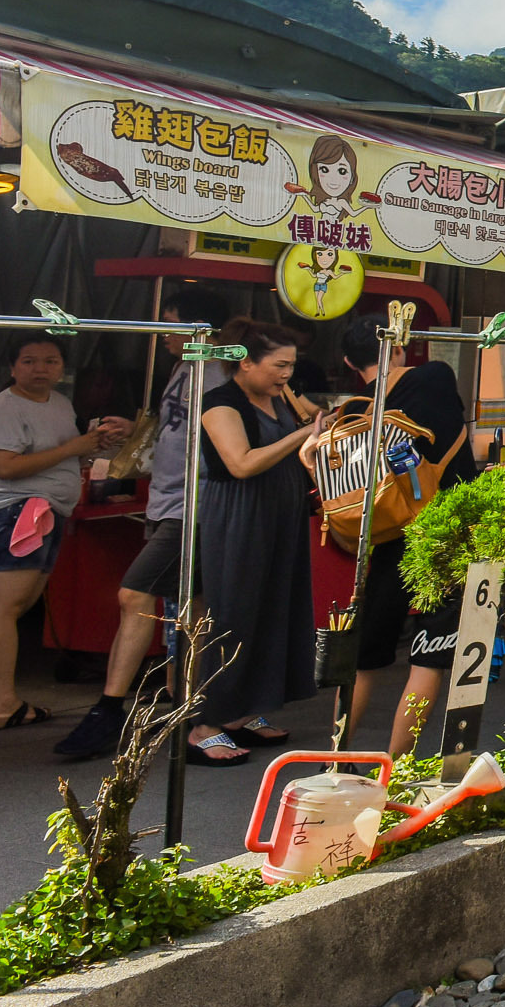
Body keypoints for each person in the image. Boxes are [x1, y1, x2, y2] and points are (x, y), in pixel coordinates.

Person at [54, 285, 234, 760]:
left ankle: (111, 709)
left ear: (199, 328)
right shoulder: (182, 369)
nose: (164, 335)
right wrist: (136, 431)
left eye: (171, 324)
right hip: (165, 499)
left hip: (191, 506)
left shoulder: (217, 372)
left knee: (135, 593)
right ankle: (187, 711)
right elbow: (176, 427)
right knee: (188, 609)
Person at [309, 319, 476, 757]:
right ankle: (395, 766)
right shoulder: (435, 377)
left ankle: (335, 757)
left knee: (365, 658)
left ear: (349, 363)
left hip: (388, 538)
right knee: (428, 657)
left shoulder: (358, 417)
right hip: (446, 535)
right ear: (399, 347)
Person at [0, 333, 126, 731]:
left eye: (50, 361)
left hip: (46, 511)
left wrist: (92, 445)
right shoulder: (4, 409)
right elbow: (5, 467)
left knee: (2, 609)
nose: (40, 369)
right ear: (12, 367)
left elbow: (63, 452)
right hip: (17, 513)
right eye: (30, 361)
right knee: (4, 609)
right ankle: (2, 704)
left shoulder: (60, 402)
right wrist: (75, 448)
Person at [184, 320, 323, 765]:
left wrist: (310, 421)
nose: (286, 374)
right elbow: (241, 464)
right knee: (235, 613)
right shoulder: (219, 403)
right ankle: (204, 722)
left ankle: (243, 711)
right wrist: (300, 436)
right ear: (244, 362)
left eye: (291, 366)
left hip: (281, 512)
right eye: (279, 365)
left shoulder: (279, 395)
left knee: (274, 609)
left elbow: (316, 416)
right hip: (239, 515)